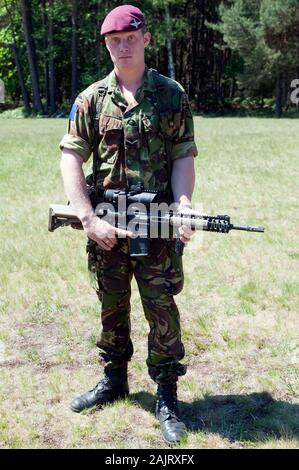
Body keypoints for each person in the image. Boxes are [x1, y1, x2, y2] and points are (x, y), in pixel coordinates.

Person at [59, 4, 198, 445]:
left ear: (145, 39)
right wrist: (85, 216)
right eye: (113, 41)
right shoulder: (91, 98)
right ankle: (114, 378)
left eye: (129, 38)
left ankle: (167, 394)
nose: (121, 46)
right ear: (106, 45)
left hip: (155, 226)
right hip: (107, 227)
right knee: (111, 306)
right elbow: (70, 156)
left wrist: (185, 205)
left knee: (162, 309)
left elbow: (183, 156)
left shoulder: (171, 94)